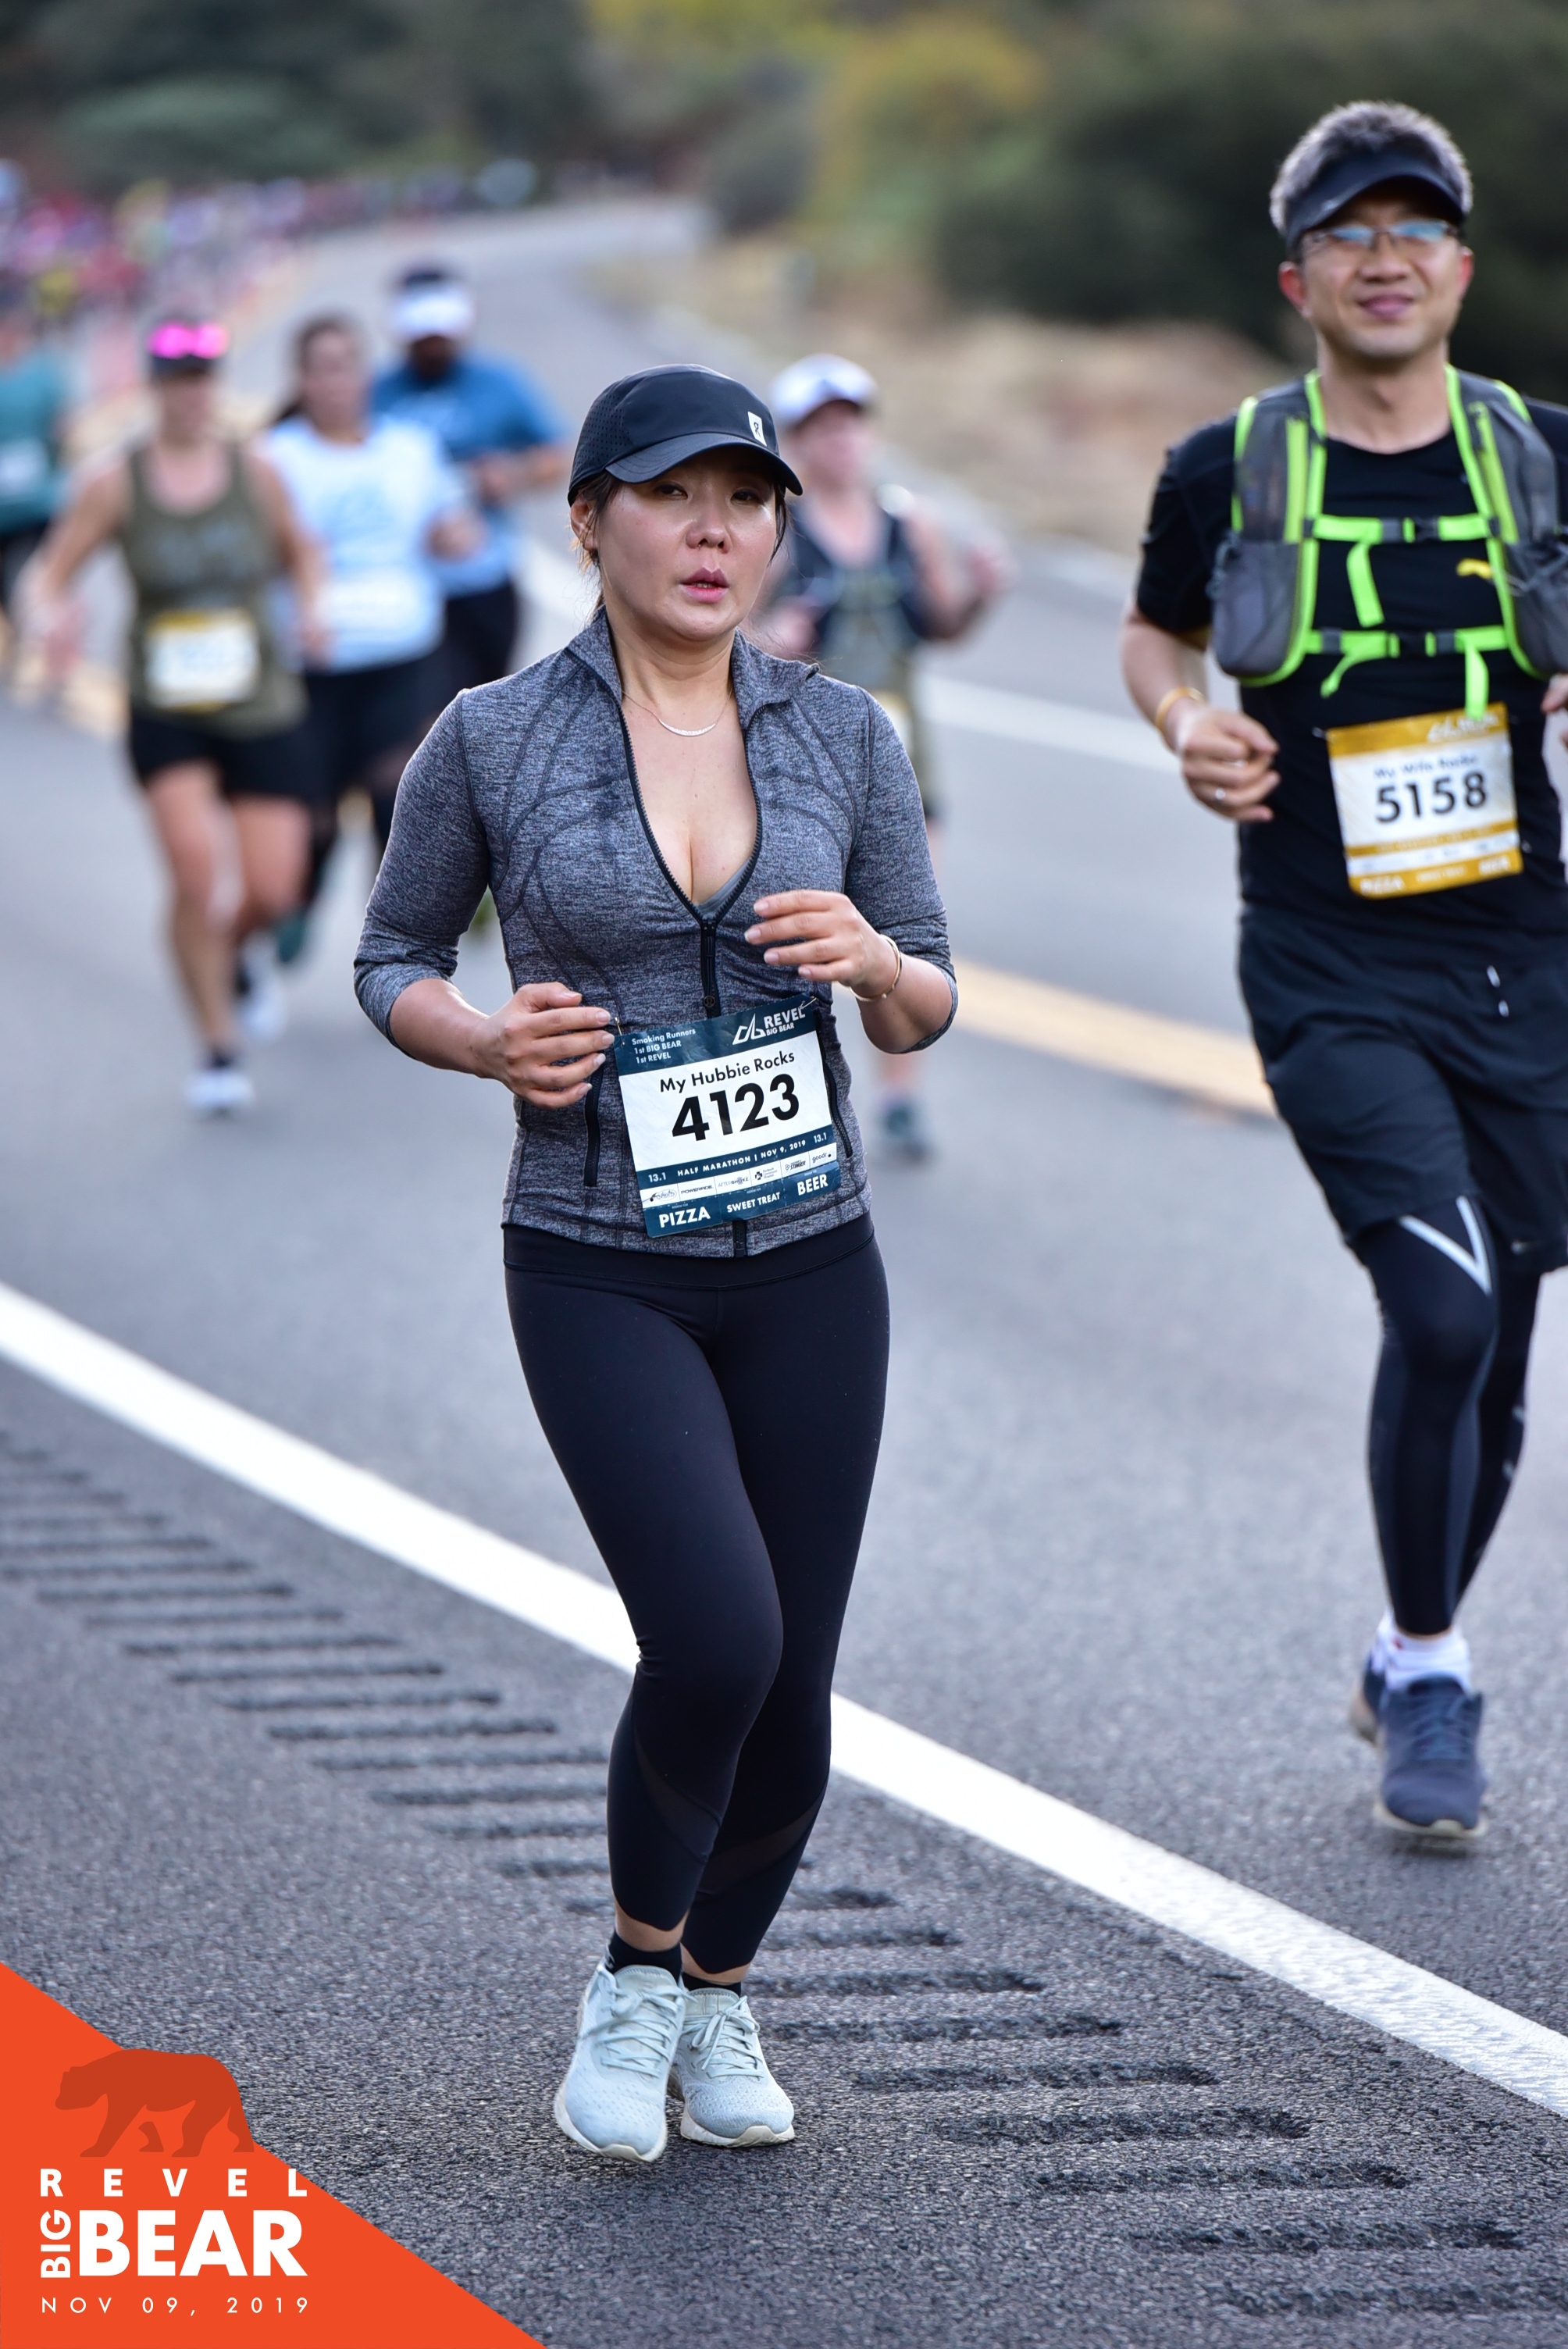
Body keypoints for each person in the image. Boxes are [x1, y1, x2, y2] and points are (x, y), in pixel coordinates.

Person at [354, 363, 956, 2162]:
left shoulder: (841, 733)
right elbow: (390, 957)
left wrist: (872, 963)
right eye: (673, 496)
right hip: (595, 1256)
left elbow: (926, 987)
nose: (714, 532)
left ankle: (716, 1989)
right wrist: (479, 1041)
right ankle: (630, 1977)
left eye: (745, 500)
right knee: (713, 1632)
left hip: (811, 1261)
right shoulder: (493, 737)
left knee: (794, 1682)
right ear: (588, 520)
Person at [1121, 103, 1568, 1842]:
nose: (1384, 260)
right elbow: (1151, 632)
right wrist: (1184, 724)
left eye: (1415, 229)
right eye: (1347, 233)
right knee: (1438, 1309)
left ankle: (1398, 1643)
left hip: (1522, 953)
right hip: (1324, 954)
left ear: (1459, 265)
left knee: (1496, 1350)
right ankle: (1437, 1667)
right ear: (1294, 276)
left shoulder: (1539, 455)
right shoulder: (1223, 467)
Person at [25, 316, 325, 1114]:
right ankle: (218, 1046)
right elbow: (49, 573)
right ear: (154, 386)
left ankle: (232, 957)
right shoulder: (116, 483)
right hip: (166, 706)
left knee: (274, 888)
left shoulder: (255, 472)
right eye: (175, 379)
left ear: (214, 384)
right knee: (195, 873)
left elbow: (301, 550)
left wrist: (314, 606)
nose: (190, 394)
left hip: (259, 699)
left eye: (202, 378)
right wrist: (49, 616)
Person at [753, 352, 1008, 1163]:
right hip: (803, 765)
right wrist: (772, 640)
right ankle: (787, 1097)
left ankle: (900, 1098)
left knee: (901, 935)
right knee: (798, 939)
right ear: (795, 441)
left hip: (903, 761)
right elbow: (728, 639)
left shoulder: (908, 522)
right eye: (822, 427)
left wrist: (981, 593)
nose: (841, 440)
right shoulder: (777, 532)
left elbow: (940, 624)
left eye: (851, 423)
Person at [264, 315, 477, 929]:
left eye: (346, 366)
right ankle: (299, 901)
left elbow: (452, 523)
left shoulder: (410, 449)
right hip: (311, 659)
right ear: (301, 380)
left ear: (366, 374)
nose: (336, 382)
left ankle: (393, 941)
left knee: (397, 800)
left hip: (402, 651)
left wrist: (457, 534)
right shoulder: (274, 458)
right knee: (317, 813)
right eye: (322, 369)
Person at [372, 266, 570, 704]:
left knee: (488, 705)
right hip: (407, 587)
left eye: (441, 333)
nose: (433, 343)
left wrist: (512, 475)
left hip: (485, 582)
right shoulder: (375, 393)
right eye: (423, 335)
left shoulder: (498, 383)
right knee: (422, 715)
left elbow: (556, 457)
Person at [0, 274, 68, 631]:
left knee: (29, 586)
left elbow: (61, 431)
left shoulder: (42, 374)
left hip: (36, 508)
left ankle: (30, 640)